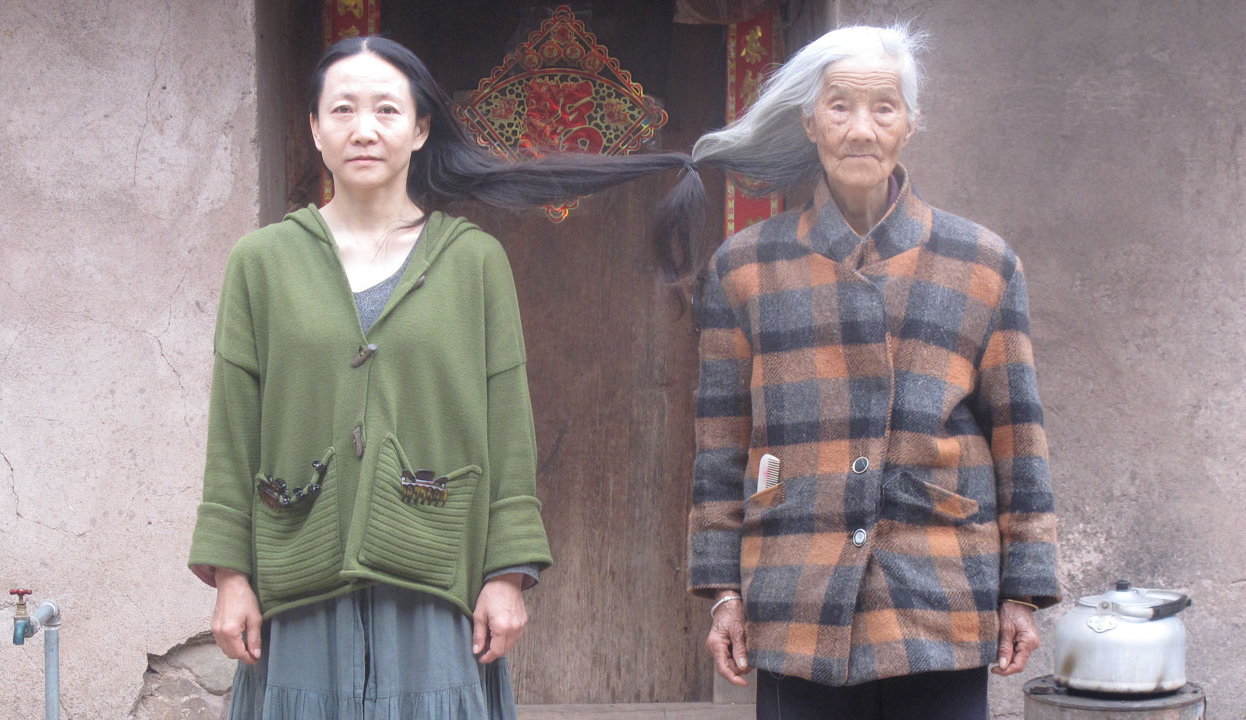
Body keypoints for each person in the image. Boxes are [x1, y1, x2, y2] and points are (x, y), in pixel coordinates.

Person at [187, 36, 691, 719]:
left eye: (387, 110)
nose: (364, 129)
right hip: (298, 579)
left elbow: (508, 425)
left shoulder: (472, 262)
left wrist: (506, 575)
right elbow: (233, 430)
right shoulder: (262, 262)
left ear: (421, 128)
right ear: (314, 126)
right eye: (342, 110)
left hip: (433, 577)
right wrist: (231, 577)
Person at [680, 25, 1060, 719]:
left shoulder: (982, 263)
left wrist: (1023, 591)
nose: (861, 130)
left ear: (910, 124)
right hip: (799, 590)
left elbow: (1019, 438)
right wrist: (724, 592)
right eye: (839, 107)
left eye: (883, 107)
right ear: (809, 122)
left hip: (940, 591)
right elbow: (719, 447)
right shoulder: (744, 268)